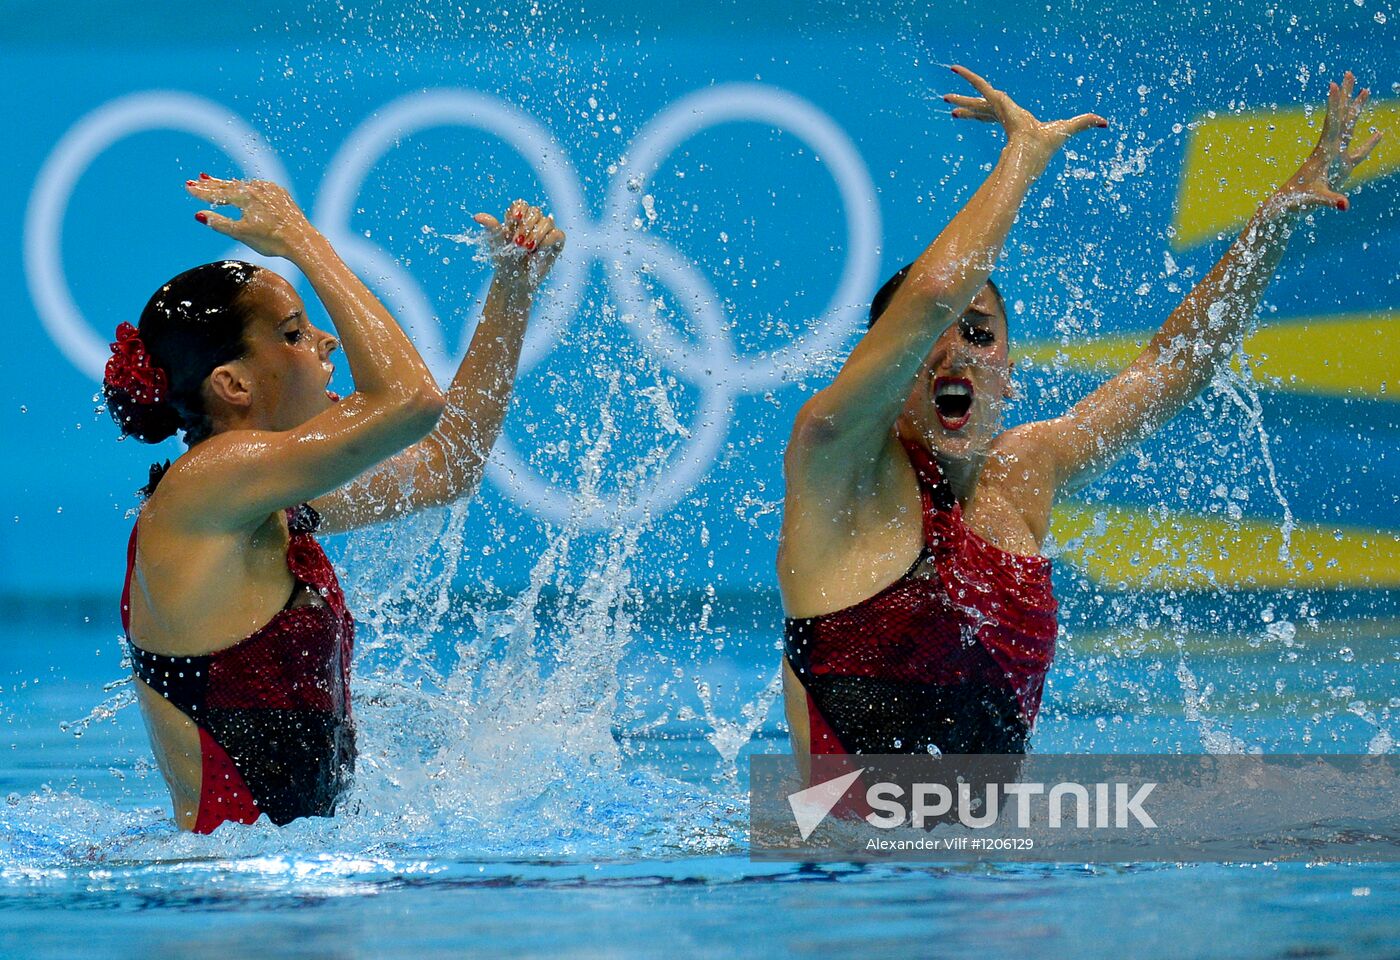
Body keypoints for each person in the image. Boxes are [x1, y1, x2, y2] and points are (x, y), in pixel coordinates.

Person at [778, 67, 1381, 775]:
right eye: (926, 341)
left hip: (988, 874)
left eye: (979, 335)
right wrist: (1023, 153)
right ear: (881, 376)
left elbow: (1174, 365)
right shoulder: (839, 474)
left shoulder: (1024, 473)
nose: (955, 354)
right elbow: (938, 291)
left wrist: (1267, 225)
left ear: (1010, 370)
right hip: (844, 873)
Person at [105, 176, 564, 831]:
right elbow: (412, 404)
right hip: (226, 910)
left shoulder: (263, 501)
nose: (326, 344)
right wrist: (301, 239)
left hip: (276, 889)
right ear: (231, 382)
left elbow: (447, 464)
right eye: (294, 333)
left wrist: (513, 289)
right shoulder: (208, 485)